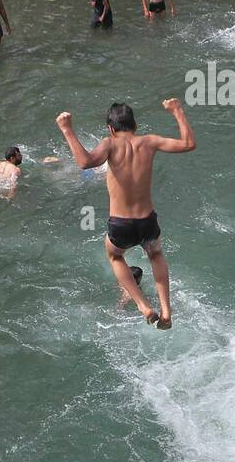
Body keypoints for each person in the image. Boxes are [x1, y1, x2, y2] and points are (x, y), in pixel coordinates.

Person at [56, 100, 197, 330]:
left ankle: (143, 306)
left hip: (121, 224)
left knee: (115, 256)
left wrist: (67, 129)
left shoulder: (109, 144)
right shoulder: (150, 141)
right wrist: (177, 111)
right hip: (148, 220)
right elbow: (189, 144)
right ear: (136, 125)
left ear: (111, 128)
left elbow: (84, 162)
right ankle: (166, 310)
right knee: (156, 253)